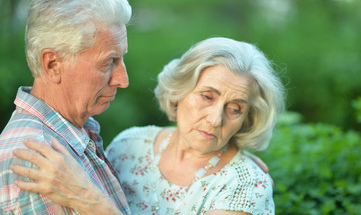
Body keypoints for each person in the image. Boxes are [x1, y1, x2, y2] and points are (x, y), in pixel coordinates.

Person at [11, 37, 285, 215]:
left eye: (235, 109)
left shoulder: (244, 185)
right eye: (207, 97)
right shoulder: (131, 144)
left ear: (247, 118)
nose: (216, 119)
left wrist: (89, 201)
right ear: (179, 92)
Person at [0, 0, 132, 214]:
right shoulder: (38, 158)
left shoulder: (72, 134)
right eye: (108, 62)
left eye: (121, 59)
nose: (123, 80)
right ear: (52, 65)